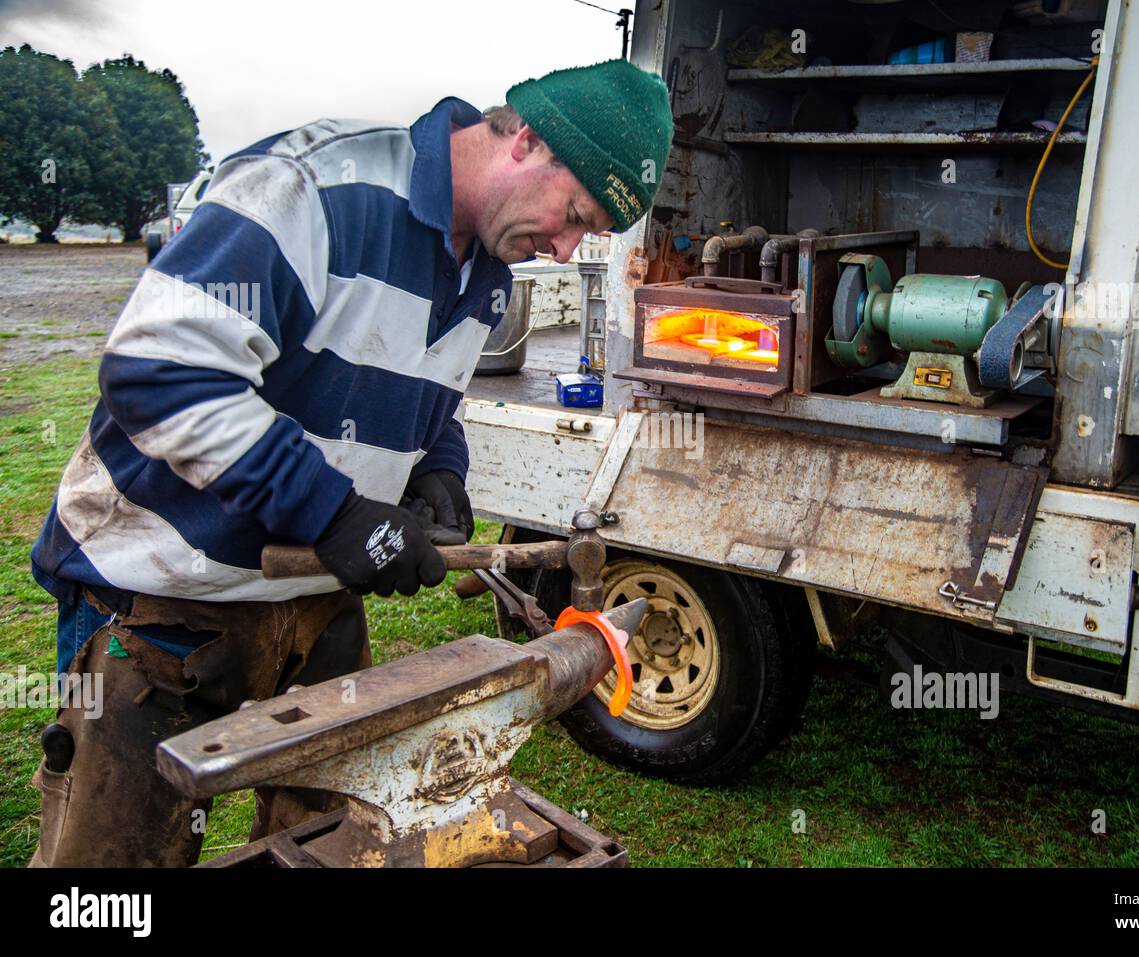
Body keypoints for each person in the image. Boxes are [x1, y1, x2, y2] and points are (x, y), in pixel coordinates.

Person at [26, 58, 672, 867]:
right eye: (575, 213)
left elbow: (429, 395)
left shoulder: (493, 276)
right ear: (528, 139)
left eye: (591, 234)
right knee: (110, 881)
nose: (566, 245)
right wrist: (332, 513)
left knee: (336, 851)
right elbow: (159, 371)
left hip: (317, 608)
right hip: (160, 603)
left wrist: (440, 466)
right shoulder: (312, 191)